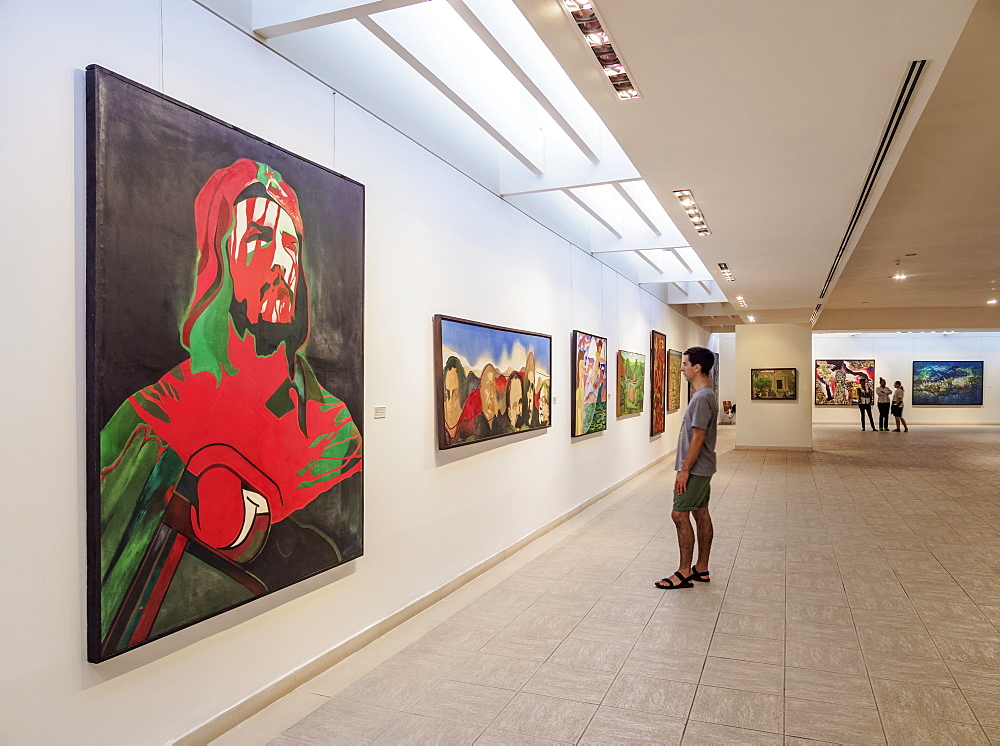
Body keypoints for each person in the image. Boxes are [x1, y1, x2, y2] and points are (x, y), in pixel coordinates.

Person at [97, 159, 363, 658]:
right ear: (221, 256)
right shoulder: (152, 421)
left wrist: (253, 527)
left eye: (291, 244)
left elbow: (337, 538)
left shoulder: (334, 432)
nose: (282, 262)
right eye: (261, 238)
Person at [655, 346, 717, 590]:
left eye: (684, 364)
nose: (681, 368)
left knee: (679, 514)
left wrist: (684, 470)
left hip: (696, 468)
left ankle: (683, 572)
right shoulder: (706, 395)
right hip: (702, 467)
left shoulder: (702, 398)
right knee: (700, 512)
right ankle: (700, 569)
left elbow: (698, 438)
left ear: (696, 367)